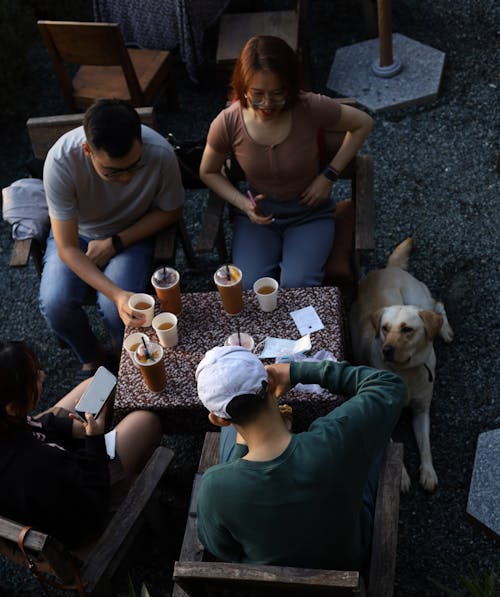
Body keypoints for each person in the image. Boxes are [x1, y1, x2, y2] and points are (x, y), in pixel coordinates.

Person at [195, 346, 407, 570]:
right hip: (348, 560)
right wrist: (298, 371)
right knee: (372, 437)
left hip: (269, 585)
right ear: (270, 380)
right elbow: (390, 385)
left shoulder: (214, 486)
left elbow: (219, 548)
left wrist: (239, 452)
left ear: (218, 419)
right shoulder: (335, 438)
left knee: (230, 438)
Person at [199, 35, 373, 290]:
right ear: (243, 87)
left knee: (298, 285)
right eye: (257, 95)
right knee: (248, 287)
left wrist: (329, 175)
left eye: (278, 94)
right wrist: (243, 204)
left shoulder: (309, 106)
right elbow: (208, 171)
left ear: (290, 87)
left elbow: (363, 123)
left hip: (309, 213)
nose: (267, 104)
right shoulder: (228, 121)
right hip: (258, 217)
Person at [39, 99, 185, 377]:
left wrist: (115, 243)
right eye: (114, 171)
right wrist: (117, 293)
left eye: (135, 165)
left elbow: (171, 211)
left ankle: (127, 359)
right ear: (87, 151)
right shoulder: (60, 162)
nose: (127, 178)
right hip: (77, 234)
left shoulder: (160, 153)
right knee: (55, 304)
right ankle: (94, 355)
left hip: (133, 232)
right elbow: (67, 247)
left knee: (116, 309)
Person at [0, 340, 162, 545]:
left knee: (101, 383)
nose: (42, 375)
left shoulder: (7, 424)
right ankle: (135, 475)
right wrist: (94, 438)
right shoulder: (38, 464)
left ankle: (123, 451)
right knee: (146, 421)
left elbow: (35, 425)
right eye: (34, 377)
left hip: (58, 472)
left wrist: (70, 428)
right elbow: (92, 501)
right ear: (13, 408)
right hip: (86, 499)